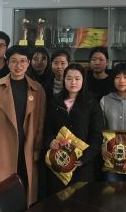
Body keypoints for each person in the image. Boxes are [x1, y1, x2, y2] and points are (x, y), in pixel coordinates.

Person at [0, 46, 46, 206]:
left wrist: (37, 148)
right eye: (13, 61)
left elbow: (40, 122)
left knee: (25, 188)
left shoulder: (37, 89)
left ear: (28, 63)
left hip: (27, 148)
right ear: (7, 63)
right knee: (1, 192)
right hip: (2, 148)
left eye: (22, 61)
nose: (18, 65)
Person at [44, 63, 103, 192]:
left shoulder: (91, 102)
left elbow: (97, 135)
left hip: (82, 164)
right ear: (64, 79)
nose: (73, 82)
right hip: (58, 163)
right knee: (57, 199)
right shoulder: (55, 101)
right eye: (69, 78)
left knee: (81, 200)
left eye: (77, 78)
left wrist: (85, 158)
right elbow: (47, 129)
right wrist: (50, 140)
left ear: (83, 80)